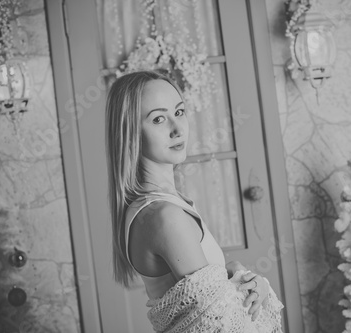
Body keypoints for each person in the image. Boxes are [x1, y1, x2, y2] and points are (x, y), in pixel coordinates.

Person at [105, 70, 283, 332]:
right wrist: (256, 285)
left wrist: (232, 273)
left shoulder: (159, 205)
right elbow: (221, 325)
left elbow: (205, 302)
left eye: (179, 112)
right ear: (130, 132)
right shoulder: (164, 216)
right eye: (158, 119)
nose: (177, 129)